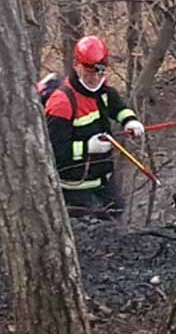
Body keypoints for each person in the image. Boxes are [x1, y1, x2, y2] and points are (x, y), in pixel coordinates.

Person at [37, 35, 145, 219]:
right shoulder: (62, 103)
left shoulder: (102, 90)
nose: (95, 78)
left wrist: (130, 120)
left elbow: (117, 107)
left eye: (100, 72)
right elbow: (54, 150)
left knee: (116, 211)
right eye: (90, 73)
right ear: (78, 66)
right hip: (74, 188)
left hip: (102, 180)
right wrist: (88, 147)